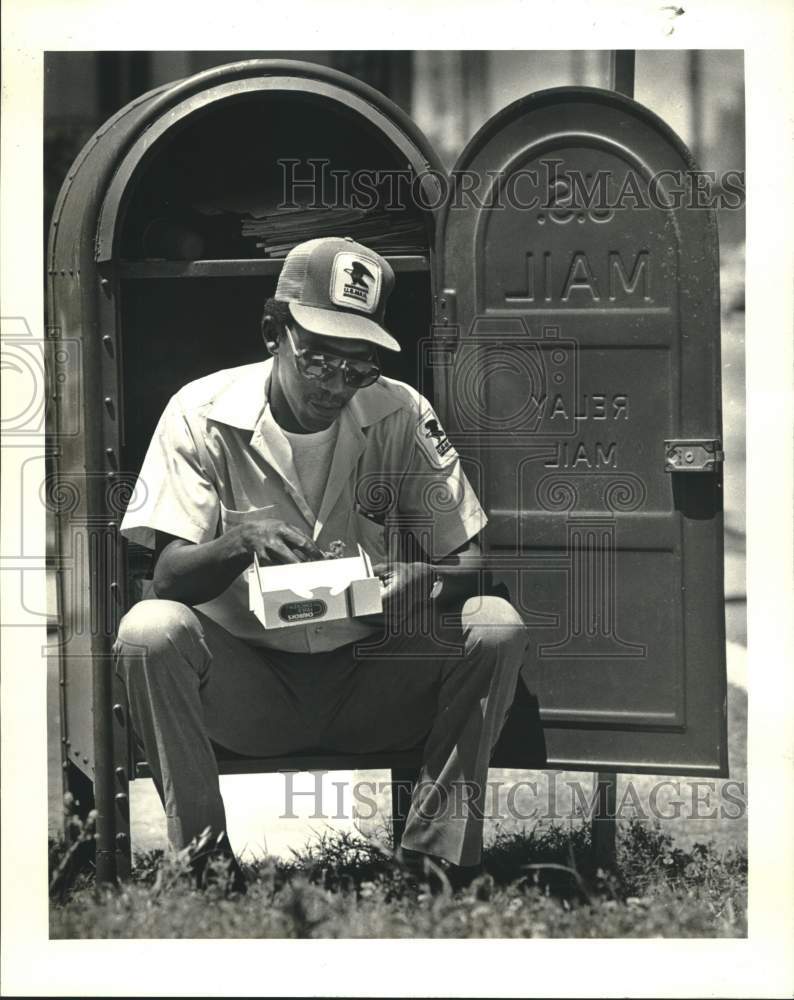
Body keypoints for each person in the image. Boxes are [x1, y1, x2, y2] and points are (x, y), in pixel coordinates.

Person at [115, 236, 528, 892]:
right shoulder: (201, 411)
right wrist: (238, 542)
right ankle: (204, 865)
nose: (337, 382)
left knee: (494, 623)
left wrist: (429, 581)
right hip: (244, 688)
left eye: (357, 365)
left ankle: (435, 863)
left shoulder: (397, 409)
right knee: (149, 631)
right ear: (273, 331)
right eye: (319, 358)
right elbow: (166, 578)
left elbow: (471, 559)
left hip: (367, 675)